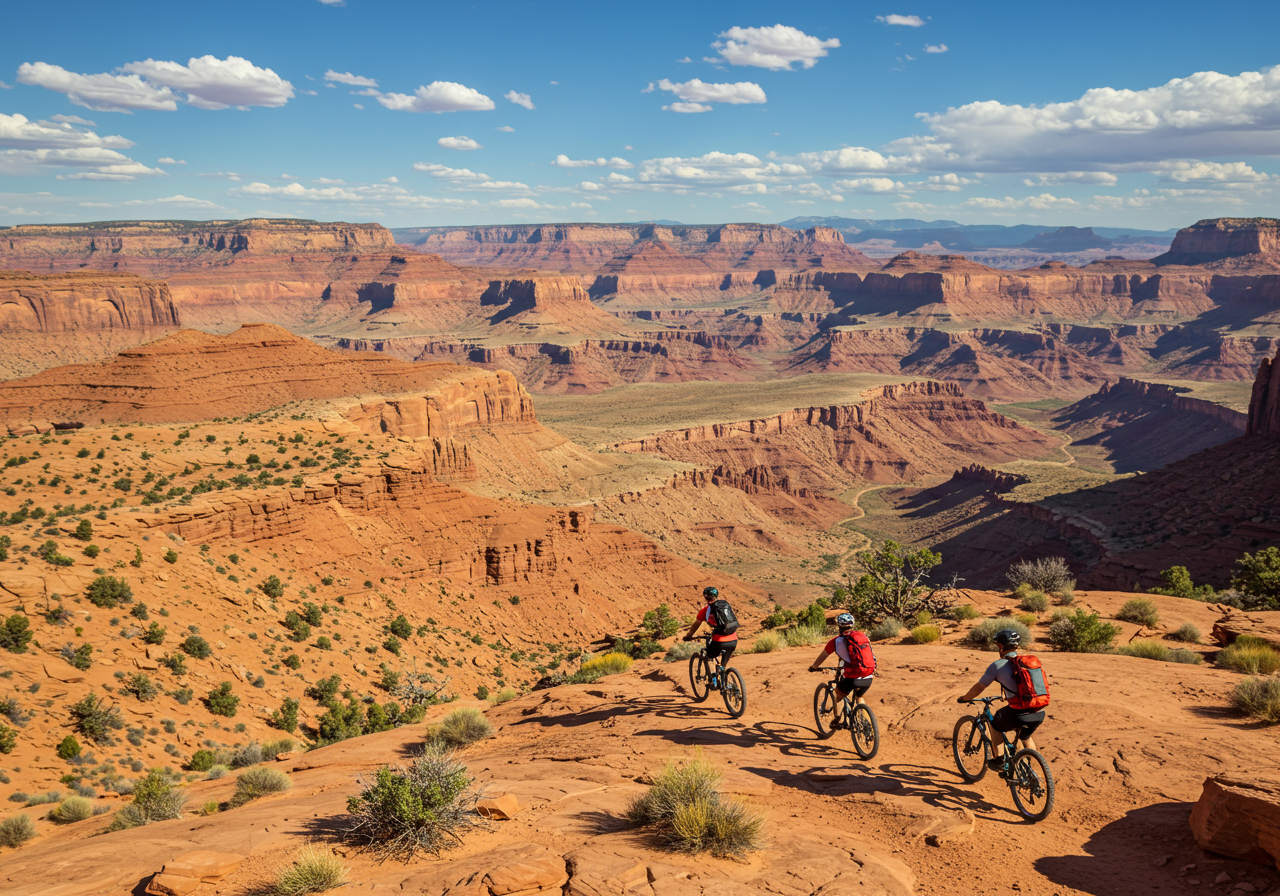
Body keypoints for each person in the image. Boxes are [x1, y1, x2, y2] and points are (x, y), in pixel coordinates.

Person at [956, 629, 1045, 771]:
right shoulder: (1026, 663)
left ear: (1000, 646)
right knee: (1025, 735)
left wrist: (965, 698)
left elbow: (980, 686)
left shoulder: (997, 665)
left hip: (1018, 712)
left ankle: (1000, 760)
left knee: (995, 724)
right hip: (1037, 710)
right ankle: (1033, 769)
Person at [808, 612, 875, 725]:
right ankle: (869, 726)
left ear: (839, 626)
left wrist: (814, 667)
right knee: (859, 697)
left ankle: (837, 720)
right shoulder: (862, 637)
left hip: (852, 678)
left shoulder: (836, 641)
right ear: (852, 625)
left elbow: (823, 656)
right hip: (868, 675)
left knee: (838, 695)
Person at [682, 586, 738, 687]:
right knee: (722, 665)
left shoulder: (705, 611)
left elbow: (696, 624)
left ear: (705, 597)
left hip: (719, 641)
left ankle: (713, 682)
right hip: (733, 638)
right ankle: (724, 680)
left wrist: (688, 636)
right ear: (716, 596)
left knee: (708, 656)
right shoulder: (725, 607)